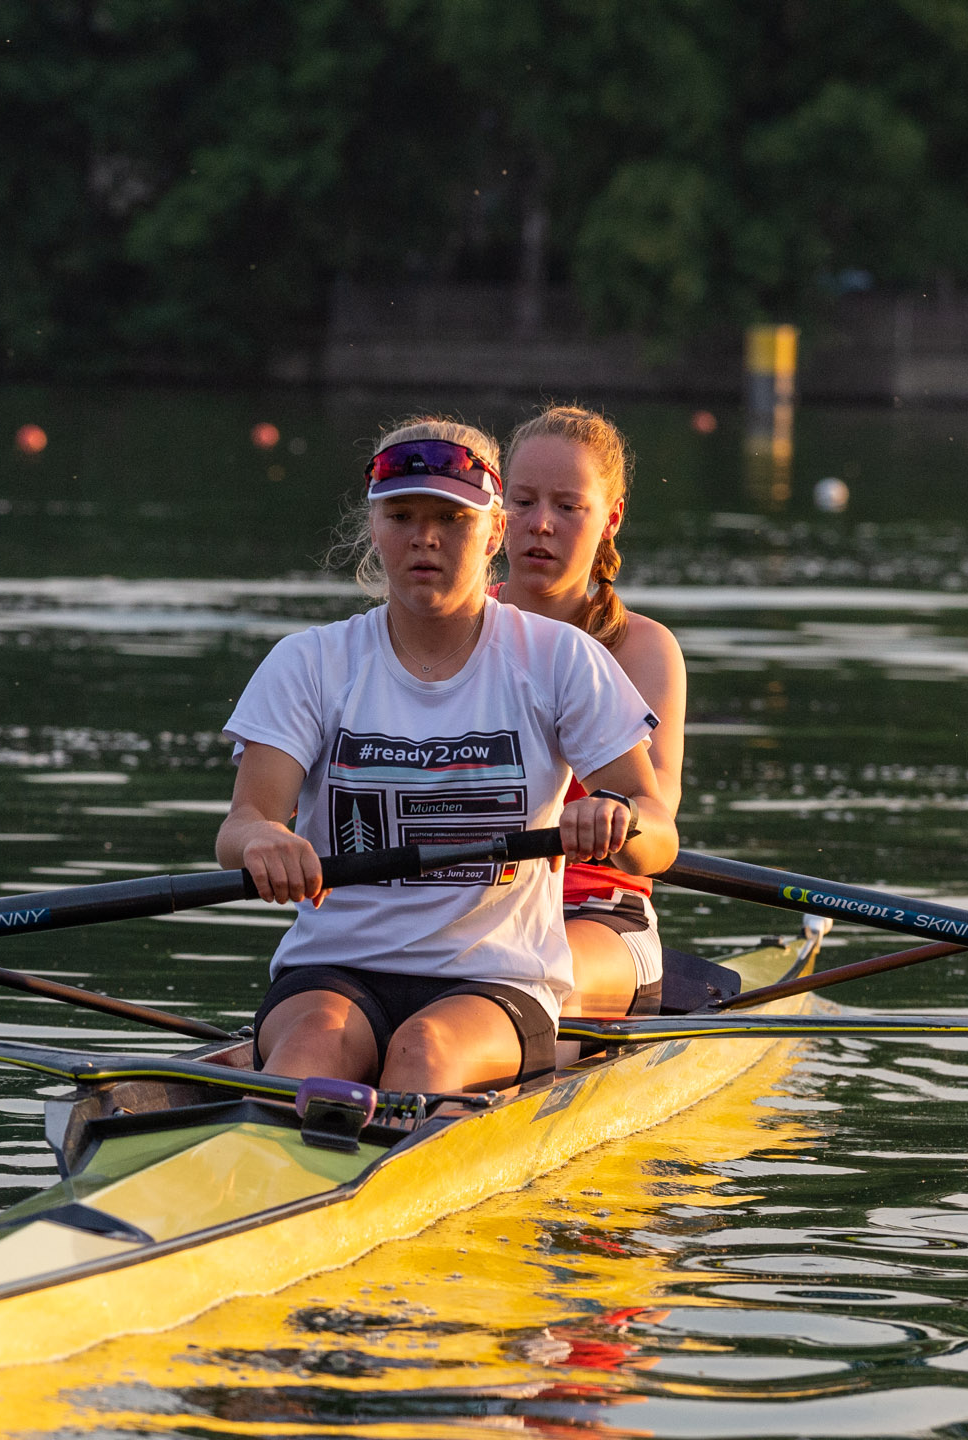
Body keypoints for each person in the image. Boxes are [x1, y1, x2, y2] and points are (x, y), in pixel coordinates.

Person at [217, 417, 679, 1097]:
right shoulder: (308, 663)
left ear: (494, 532)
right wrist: (262, 838)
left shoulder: (559, 661)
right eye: (402, 515)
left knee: (423, 1052)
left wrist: (620, 821)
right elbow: (242, 823)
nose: (424, 538)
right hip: (335, 967)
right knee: (308, 1050)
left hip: (495, 976)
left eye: (452, 520)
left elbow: (657, 832)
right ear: (374, 527)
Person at [497, 406, 686, 1018]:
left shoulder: (641, 649)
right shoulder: (451, 628)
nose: (540, 525)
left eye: (568, 507)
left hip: (598, 915)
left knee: (516, 979)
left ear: (612, 517)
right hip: (467, 911)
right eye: (522, 502)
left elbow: (659, 834)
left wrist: (621, 815)